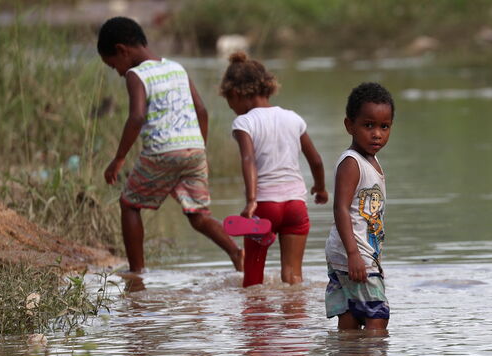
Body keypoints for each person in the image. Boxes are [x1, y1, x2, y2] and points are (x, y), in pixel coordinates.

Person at [97, 16, 242, 274]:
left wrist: (119, 158)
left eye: (113, 65)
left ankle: (136, 273)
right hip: (194, 150)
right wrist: (199, 149)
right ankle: (236, 253)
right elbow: (202, 111)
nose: (117, 72)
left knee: (129, 204)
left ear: (122, 50)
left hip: (162, 150)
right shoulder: (177, 68)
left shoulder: (136, 74)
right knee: (198, 214)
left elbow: (137, 117)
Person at [220, 52, 327, 287]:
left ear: (236, 93)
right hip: (296, 206)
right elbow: (317, 161)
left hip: (265, 206)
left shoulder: (244, 122)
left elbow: (248, 159)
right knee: (293, 278)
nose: (231, 108)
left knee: (253, 280)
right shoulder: (293, 118)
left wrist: (251, 201)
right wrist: (320, 189)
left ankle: (257, 323)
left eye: (229, 101)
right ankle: (297, 322)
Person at [325, 82, 393, 331]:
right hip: (355, 253)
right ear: (349, 125)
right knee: (378, 316)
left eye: (384, 127)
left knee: (351, 314)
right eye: (368, 126)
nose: (377, 134)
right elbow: (340, 208)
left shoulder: (370, 160)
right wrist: (354, 254)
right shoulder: (352, 163)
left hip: (351, 252)